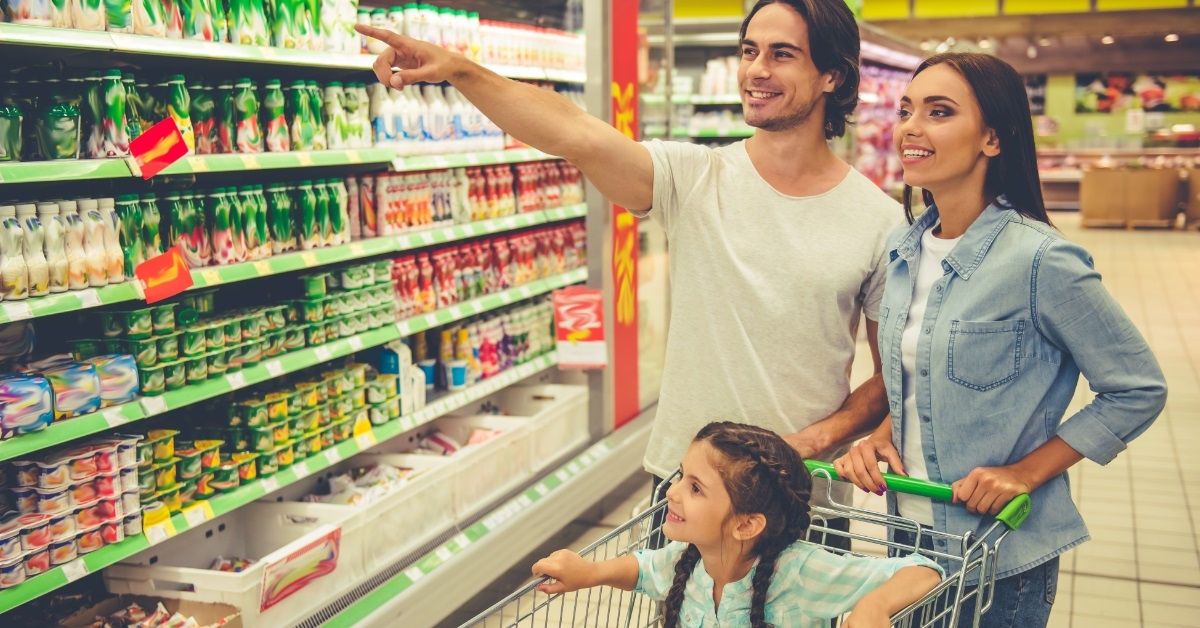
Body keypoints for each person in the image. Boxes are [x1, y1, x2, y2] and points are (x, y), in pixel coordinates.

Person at [357, 0, 902, 549]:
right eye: (748, 51)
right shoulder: (693, 178)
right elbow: (574, 132)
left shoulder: (879, 220)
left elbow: (890, 376)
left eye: (782, 54)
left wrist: (812, 440)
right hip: (686, 487)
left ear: (832, 74)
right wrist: (459, 70)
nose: (755, 70)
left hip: (803, 494)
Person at [833, 52, 1167, 627]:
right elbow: (918, 380)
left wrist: (1025, 472)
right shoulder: (904, 249)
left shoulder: (1040, 260)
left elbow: (1137, 388)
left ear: (993, 139)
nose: (910, 126)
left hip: (993, 560)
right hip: (905, 542)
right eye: (908, 109)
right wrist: (879, 437)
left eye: (939, 112)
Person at [532, 422, 943, 628]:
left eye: (695, 488)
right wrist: (589, 573)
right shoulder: (687, 562)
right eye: (680, 476)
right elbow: (641, 569)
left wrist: (873, 605)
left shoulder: (799, 572)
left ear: (746, 525)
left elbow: (925, 571)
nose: (672, 492)